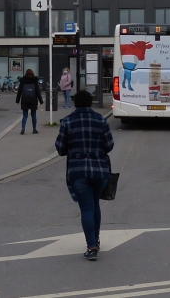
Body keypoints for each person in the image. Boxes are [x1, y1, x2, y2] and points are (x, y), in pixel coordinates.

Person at [54, 90, 114, 261]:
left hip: (78, 171)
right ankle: (96, 239)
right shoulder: (101, 120)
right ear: (90, 103)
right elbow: (109, 145)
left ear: (75, 103)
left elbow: (60, 148)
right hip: (100, 171)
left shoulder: (67, 122)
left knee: (86, 208)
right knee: (95, 205)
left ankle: (92, 246)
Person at [15, 69, 44, 135]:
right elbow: (37, 92)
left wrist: (17, 100)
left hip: (24, 100)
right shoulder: (34, 80)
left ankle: (23, 129)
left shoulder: (23, 80)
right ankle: (34, 129)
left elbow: (19, 91)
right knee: (33, 115)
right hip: (33, 100)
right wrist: (41, 100)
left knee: (25, 115)